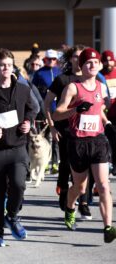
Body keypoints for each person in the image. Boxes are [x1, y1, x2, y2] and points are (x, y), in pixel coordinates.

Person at [52, 48, 116, 243]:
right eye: (88, 62)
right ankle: (70, 207)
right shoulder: (73, 88)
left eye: (96, 63)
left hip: (98, 141)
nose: (93, 65)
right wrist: (75, 110)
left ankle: (108, 226)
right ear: (81, 65)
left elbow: (98, 111)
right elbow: (57, 114)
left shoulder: (102, 87)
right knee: (80, 188)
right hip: (78, 142)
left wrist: (107, 123)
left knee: (104, 185)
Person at [0, 48, 37, 247]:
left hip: (18, 147)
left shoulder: (23, 89)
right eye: (2, 65)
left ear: (13, 67)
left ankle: (12, 216)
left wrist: (28, 121)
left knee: (19, 185)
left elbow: (32, 109)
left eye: (9, 65)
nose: (5, 68)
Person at [44, 45, 91, 216]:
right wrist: (52, 127)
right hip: (66, 130)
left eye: (81, 56)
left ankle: (84, 202)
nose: (78, 59)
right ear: (70, 59)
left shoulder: (91, 78)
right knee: (66, 164)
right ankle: (63, 191)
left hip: (87, 130)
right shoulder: (62, 79)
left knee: (86, 166)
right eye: (75, 56)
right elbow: (47, 102)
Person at [100, 50, 116, 175]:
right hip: (104, 114)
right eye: (106, 60)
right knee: (107, 141)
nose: (108, 63)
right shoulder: (99, 76)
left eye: (110, 60)